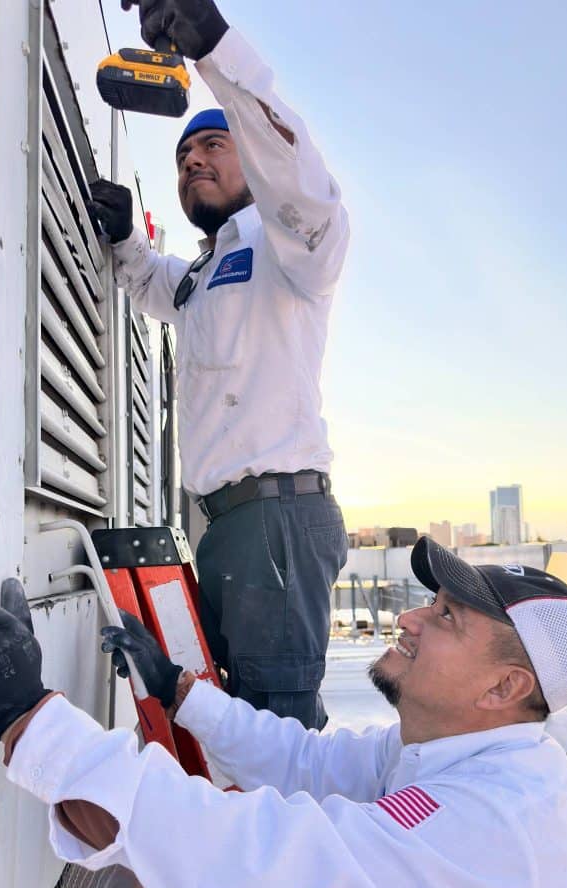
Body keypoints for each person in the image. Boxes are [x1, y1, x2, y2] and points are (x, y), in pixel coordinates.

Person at [0, 537, 567, 888]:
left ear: (504, 686)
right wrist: (179, 690)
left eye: (448, 616)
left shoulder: (491, 834)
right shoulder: (449, 755)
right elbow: (304, 763)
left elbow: (253, 859)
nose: (409, 619)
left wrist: (28, 717)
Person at [88, 0, 350, 729]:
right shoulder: (209, 273)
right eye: (182, 156)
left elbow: (297, 177)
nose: (193, 159)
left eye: (213, 146)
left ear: (253, 160)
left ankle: (288, 845)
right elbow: (155, 286)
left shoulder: (287, 244)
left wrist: (216, 51)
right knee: (232, 715)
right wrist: (121, 242)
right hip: (229, 526)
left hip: (276, 519)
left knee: (277, 727)